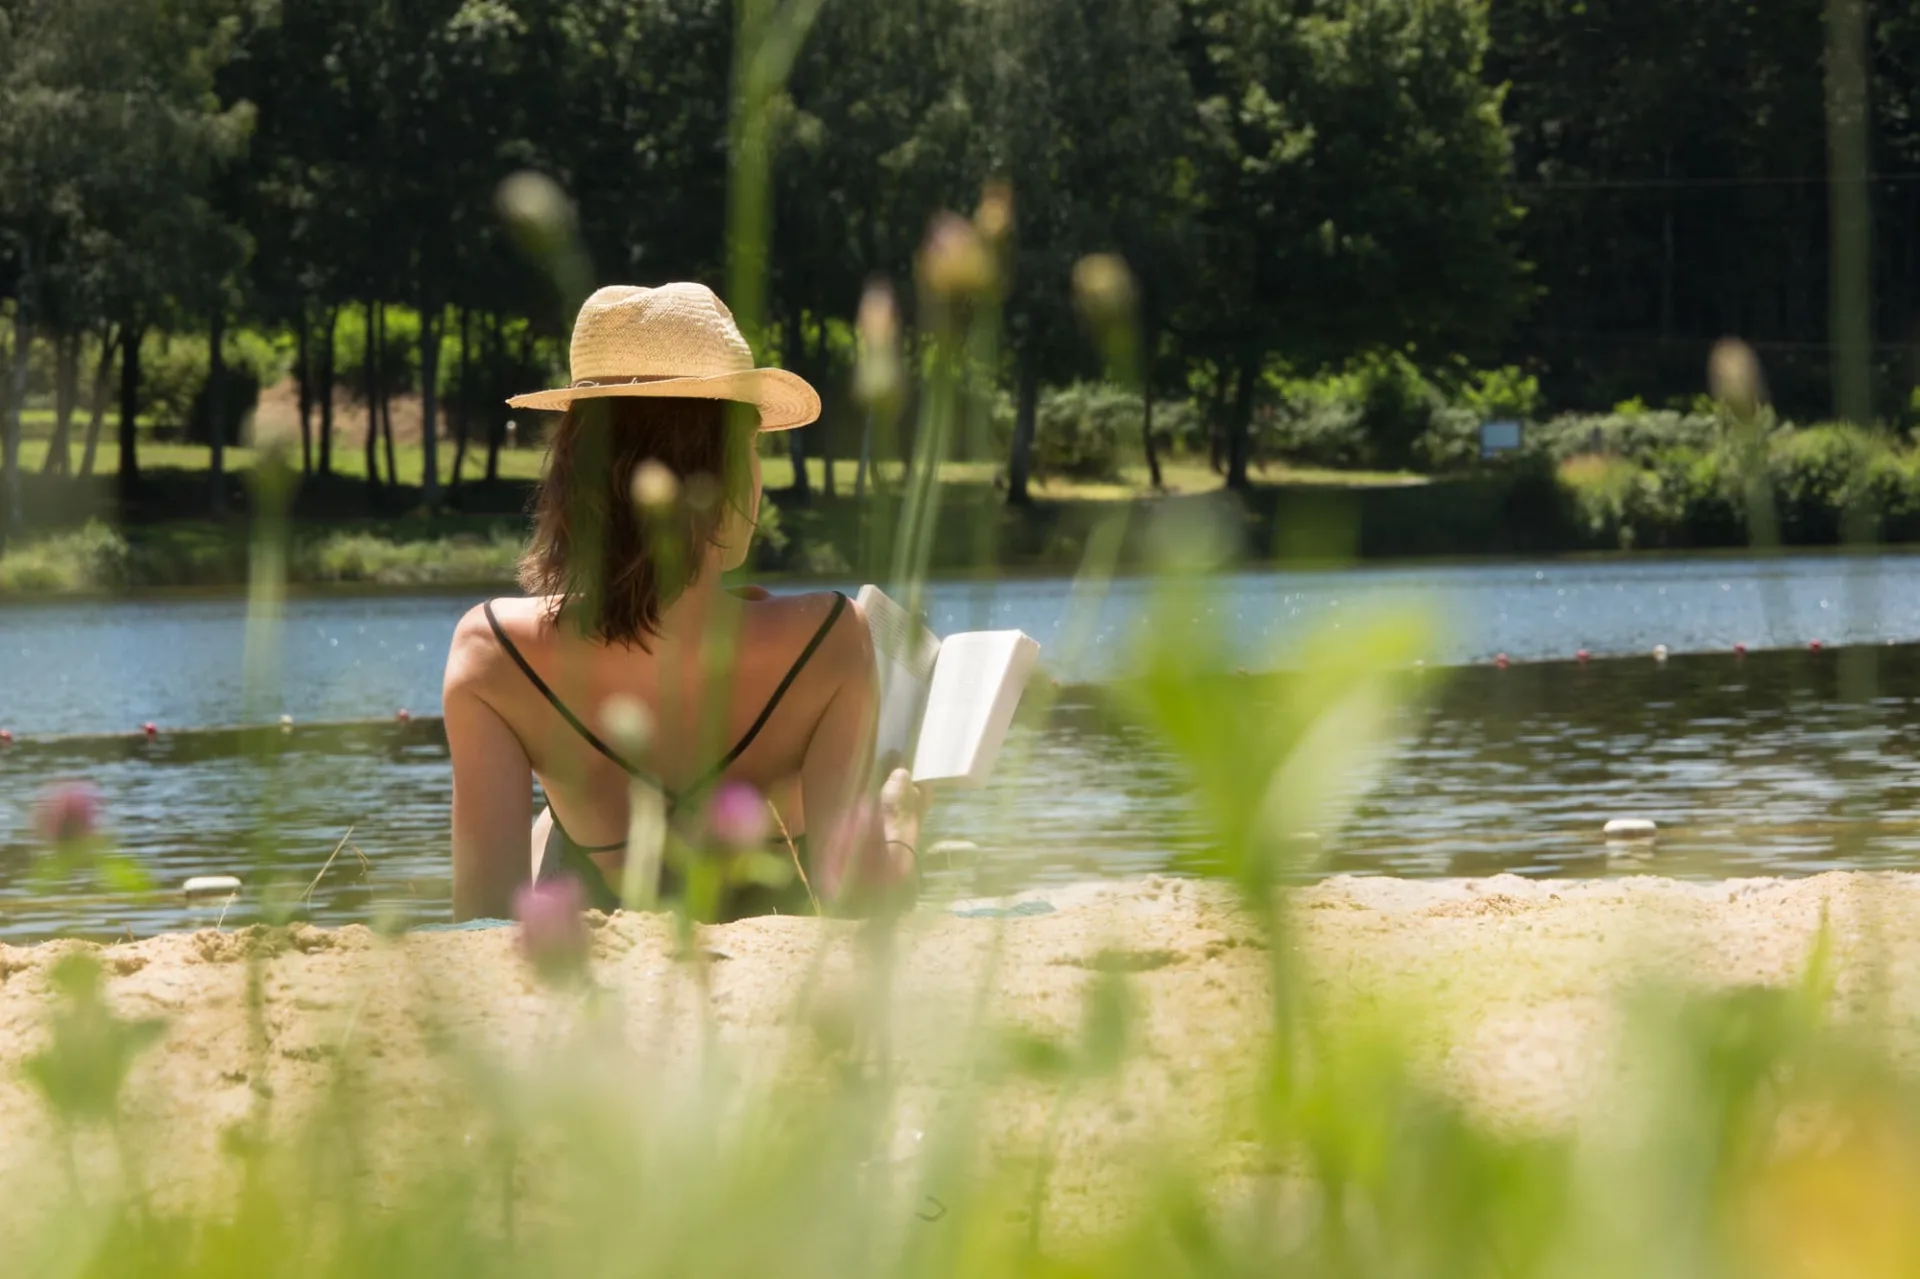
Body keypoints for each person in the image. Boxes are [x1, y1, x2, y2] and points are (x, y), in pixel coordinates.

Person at [444, 283, 922, 922]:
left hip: (593, 903)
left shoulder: (491, 653)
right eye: (753, 446)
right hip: (771, 909)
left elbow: (483, 922)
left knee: (552, 827)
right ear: (720, 466)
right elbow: (863, 913)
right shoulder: (827, 637)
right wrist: (899, 821)